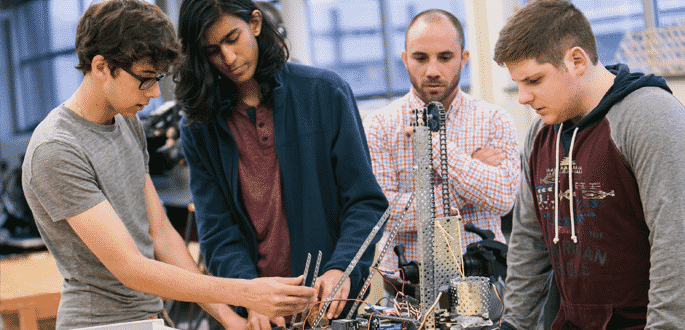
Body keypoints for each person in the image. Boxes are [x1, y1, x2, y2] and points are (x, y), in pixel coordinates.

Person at [21, 1, 316, 329]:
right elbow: (131, 268)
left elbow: (161, 235)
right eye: (145, 79)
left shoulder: (125, 120)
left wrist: (227, 316)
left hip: (149, 317)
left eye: (157, 78)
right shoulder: (57, 149)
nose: (155, 93)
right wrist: (247, 292)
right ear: (102, 66)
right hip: (101, 324)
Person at [174, 0, 389, 329]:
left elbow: (364, 202)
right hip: (255, 319)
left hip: (327, 312)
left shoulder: (326, 93)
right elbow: (218, 234)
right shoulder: (199, 128)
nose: (228, 59)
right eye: (212, 50)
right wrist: (249, 295)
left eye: (233, 39)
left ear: (255, 23)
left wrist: (340, 268)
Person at [493, 1, 685, 329]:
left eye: (534, 80)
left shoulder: (651, 116)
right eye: (519, 83)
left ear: (577, 60)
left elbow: (676, 240)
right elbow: (528, 241)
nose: (523, 97)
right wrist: (513, 324)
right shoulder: (539, 135)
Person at [363, 9, 520, 298]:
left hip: (485, 286)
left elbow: (504, 199)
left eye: (445, 57)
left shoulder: (494, 119)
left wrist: (438, 148)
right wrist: (468, 177)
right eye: (420, 58)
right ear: (404, 59)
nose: (432, 70)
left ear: (464, 58)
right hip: (405, 291)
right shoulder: (380, 126)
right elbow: (381, 213)